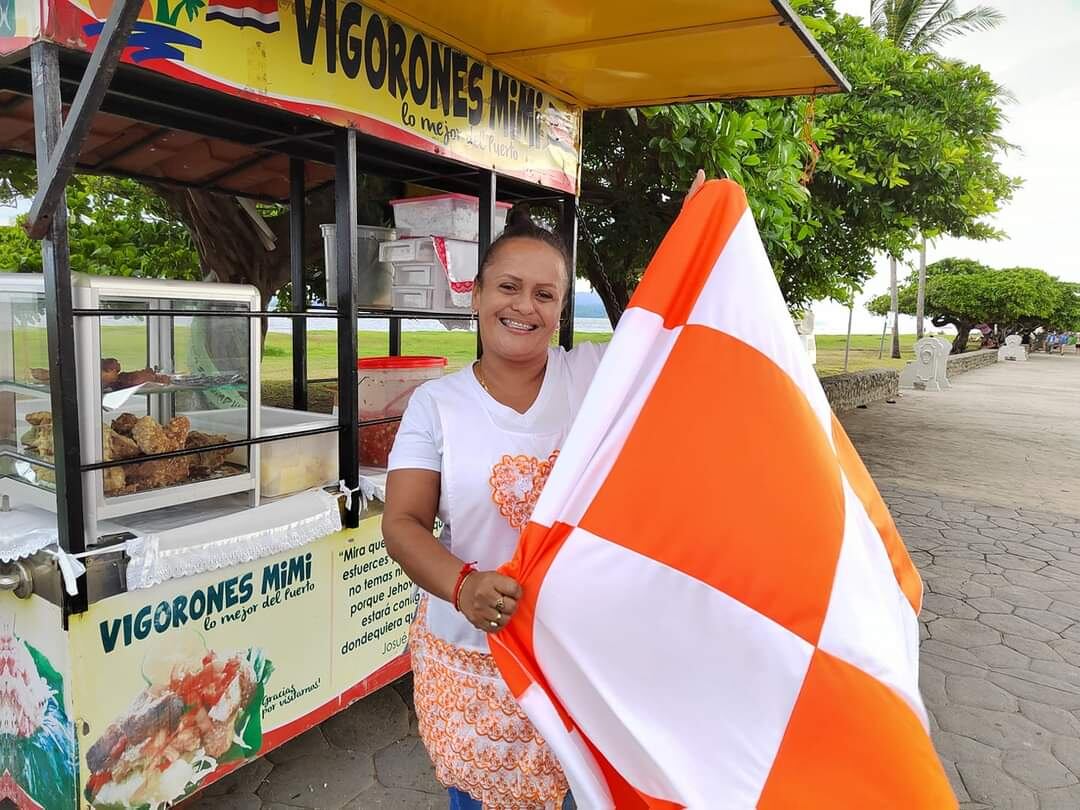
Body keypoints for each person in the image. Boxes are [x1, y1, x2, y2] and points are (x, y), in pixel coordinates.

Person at [383, 174, 706, 809]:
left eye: (545, 294)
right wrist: (463, 585)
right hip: (475, 662)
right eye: (508, 287)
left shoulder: (593, 377)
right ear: (476, 296)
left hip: (580, 660)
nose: (524, 306)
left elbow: (681, 340)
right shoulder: (435, 405)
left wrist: (695, 238)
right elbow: (403, 524)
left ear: (560, 309)